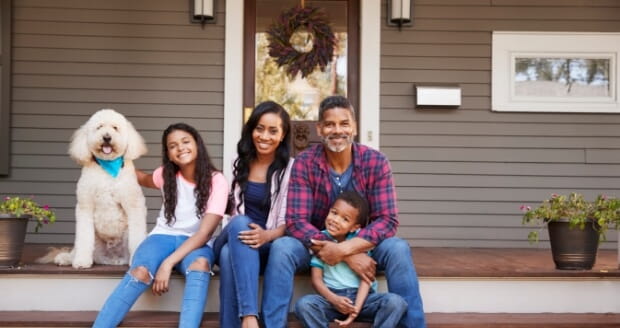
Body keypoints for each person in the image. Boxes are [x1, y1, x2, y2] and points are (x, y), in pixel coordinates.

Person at [262, 95, 426, 328]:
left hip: (363, 246)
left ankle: (414, 325)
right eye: (330, 124)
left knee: (397, 248)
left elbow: (387, 220)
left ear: (355, 128)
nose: (337, 130)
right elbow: (297, 222)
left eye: (344, 123)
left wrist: (346, 248)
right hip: (316, 247)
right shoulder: (304, 163)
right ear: (319, 129)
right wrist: (341, 252)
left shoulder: (376, 162)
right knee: (282, 247)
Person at [92, 123, 229, 328]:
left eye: (185, 142)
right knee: (139, 272)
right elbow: (143, 178)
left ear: (197, 144)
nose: (180, 148)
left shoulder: (217, 181)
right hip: (161, 238)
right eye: (173, 145)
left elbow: (204, 232)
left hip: (197, 243)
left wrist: (167, 264)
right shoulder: (166, 174)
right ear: (168, 153)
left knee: (200, 266)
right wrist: (112, 162)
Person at [213, 101, 294, 328]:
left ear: (283, 135)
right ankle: (249, 315)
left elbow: (292, 220)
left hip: (267, 245)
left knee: (229, 256)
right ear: (251, 130)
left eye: (273, 130)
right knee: (239, 224)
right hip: (235, 234)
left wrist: (267, 236)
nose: (264, 136)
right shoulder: (238, 164)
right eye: (259, 128)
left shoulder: (291, 169)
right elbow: (227, 212)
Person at [295, 191, 407, 328]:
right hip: (332, 299)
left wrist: (355, 311)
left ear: (355, 227)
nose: (335, 220)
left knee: (396, 302)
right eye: (334, 213)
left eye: (345, 219)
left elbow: (366, 279)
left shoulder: (359, 243)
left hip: (363, 300)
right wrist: (334, 299)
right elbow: (316, 280)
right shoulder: (321, 241)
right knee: (304, 304)